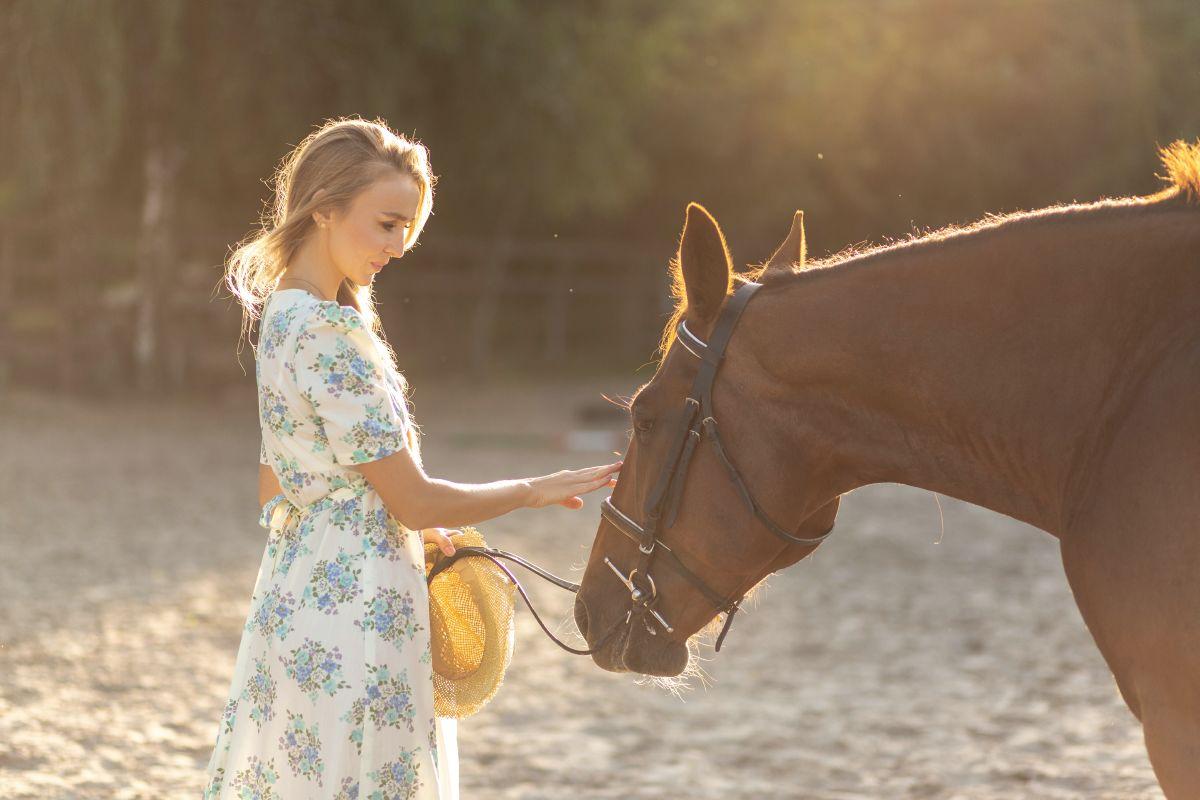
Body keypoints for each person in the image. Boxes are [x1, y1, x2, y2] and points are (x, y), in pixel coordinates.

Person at [202, 116, 622, 799]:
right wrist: (530, 490)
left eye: (409, 230)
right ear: (325, 209)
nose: (399, 247)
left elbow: (273, 482)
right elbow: (413, 497)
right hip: (362, 605)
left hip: (298, 593)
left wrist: (390, 529)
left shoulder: (284, 317)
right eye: (387, 223)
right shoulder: (331, 335)